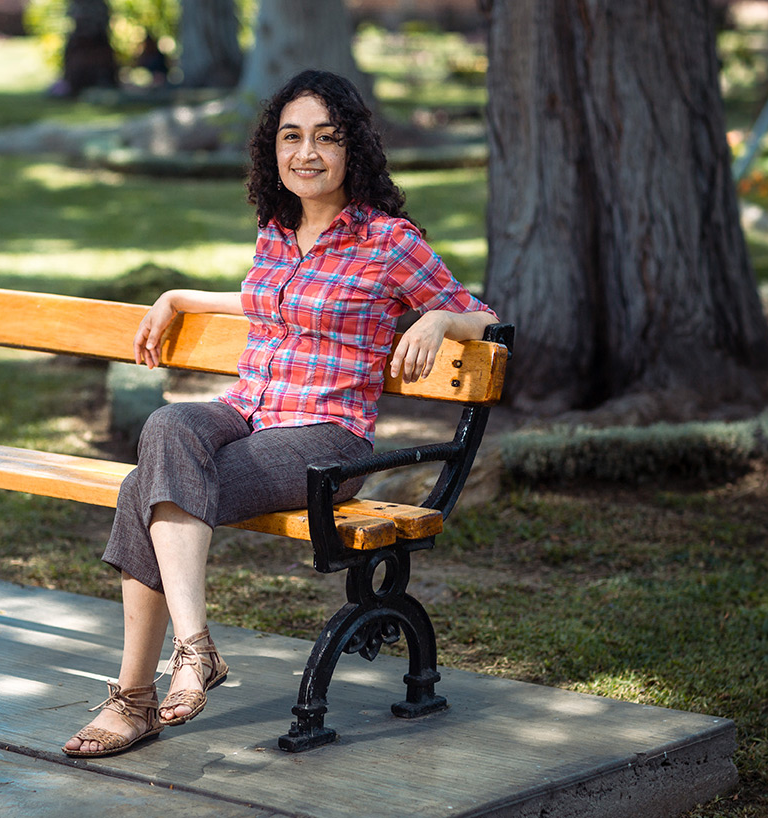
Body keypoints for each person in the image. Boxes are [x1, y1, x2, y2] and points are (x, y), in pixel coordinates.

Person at [61, 69, 498, 758]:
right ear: (273, 148)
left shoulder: (388, 242)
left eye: (326, 138)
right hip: (247, 412)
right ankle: (195, 649)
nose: (306, 153)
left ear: (353, 148)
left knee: (140, 488)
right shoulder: (276, 230)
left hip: (326, 439)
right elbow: (268, 302)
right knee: (168, 426)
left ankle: (134, 699)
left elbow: (485, 317)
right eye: (291, 136)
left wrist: (440, 317)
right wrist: (181, 295)